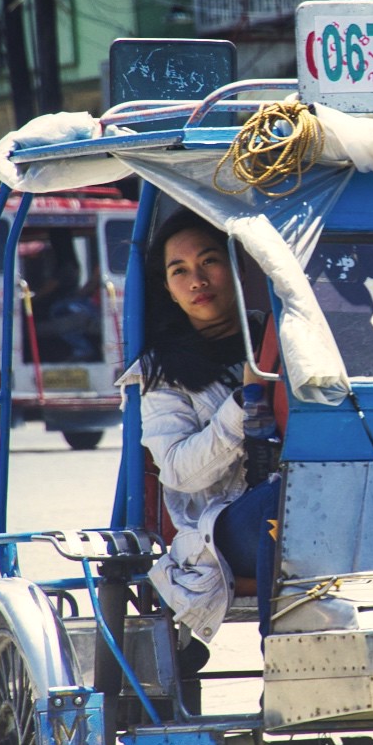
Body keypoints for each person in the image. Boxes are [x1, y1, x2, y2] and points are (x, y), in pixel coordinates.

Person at [131, 209, 282, 677]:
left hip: (305, 497)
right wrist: (244, 401)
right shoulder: (160, 373)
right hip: (222, 530)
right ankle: (283, 671)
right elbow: (178, 470)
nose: (197, 279)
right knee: (289, 502)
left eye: (209, 261)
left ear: (237, 270)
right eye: (180, 271)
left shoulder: (281, 336)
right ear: (169, 290)